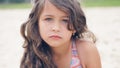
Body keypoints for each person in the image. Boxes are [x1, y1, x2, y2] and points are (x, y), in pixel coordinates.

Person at [20, 0, 101, 68]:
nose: (56, 28)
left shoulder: (86, 50)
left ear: (76, 25)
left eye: (65, 20)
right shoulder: (33, 54)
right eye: (48, 19)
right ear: (37, 24)